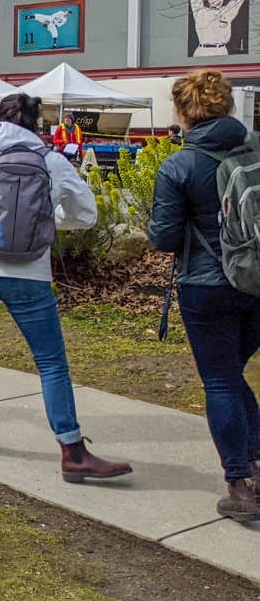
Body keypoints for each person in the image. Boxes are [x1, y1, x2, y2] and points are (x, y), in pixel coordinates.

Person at [0, 92, 132, 483]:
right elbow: (86, 214)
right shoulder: (51, 161)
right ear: (36, 124)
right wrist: (45, 224)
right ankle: (72, 450)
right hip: (30, 274)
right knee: (49, 361)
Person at [147, 69, 260, 521]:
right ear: (227, 107)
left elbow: (164, 238)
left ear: (181, 111)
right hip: (256, 282)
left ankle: (240, 486)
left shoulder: (180, 165)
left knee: (220, 380)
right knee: (231, 375)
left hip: (206, 284)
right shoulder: (253, 149)